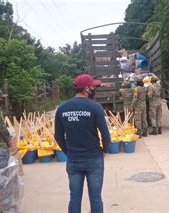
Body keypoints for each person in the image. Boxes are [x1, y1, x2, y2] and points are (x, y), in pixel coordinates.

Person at [54, 74, 111, 213]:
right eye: (93, 87)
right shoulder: (95, 107)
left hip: (74, 160)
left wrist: (68, 152)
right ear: (86, 89)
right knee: (96, 198)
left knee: (74, 198)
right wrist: (104, 151)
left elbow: (58, 136)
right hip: (94, 158)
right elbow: (105, 134)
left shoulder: (62, 108)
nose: (94, 89)